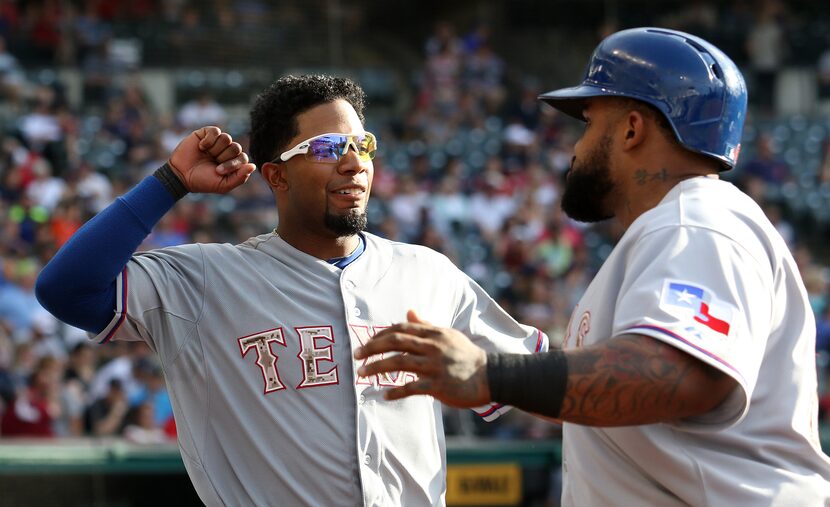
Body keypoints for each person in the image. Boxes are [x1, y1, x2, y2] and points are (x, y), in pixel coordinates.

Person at [355, 27, 830, 505]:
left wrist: (490, 373)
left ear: (631, 128)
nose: (575, 148)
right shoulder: (672, 230)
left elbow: (679, 375)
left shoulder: (696, 221)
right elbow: (622, 399)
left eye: (587, 123)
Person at [35, 74, 547, 506]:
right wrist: (169, 181)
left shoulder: (429, 273)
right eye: (327, 148)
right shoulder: (207, 280)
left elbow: (545, 380)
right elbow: (67, 290)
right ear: (276, 175)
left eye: (361, 144)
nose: (353, 162)